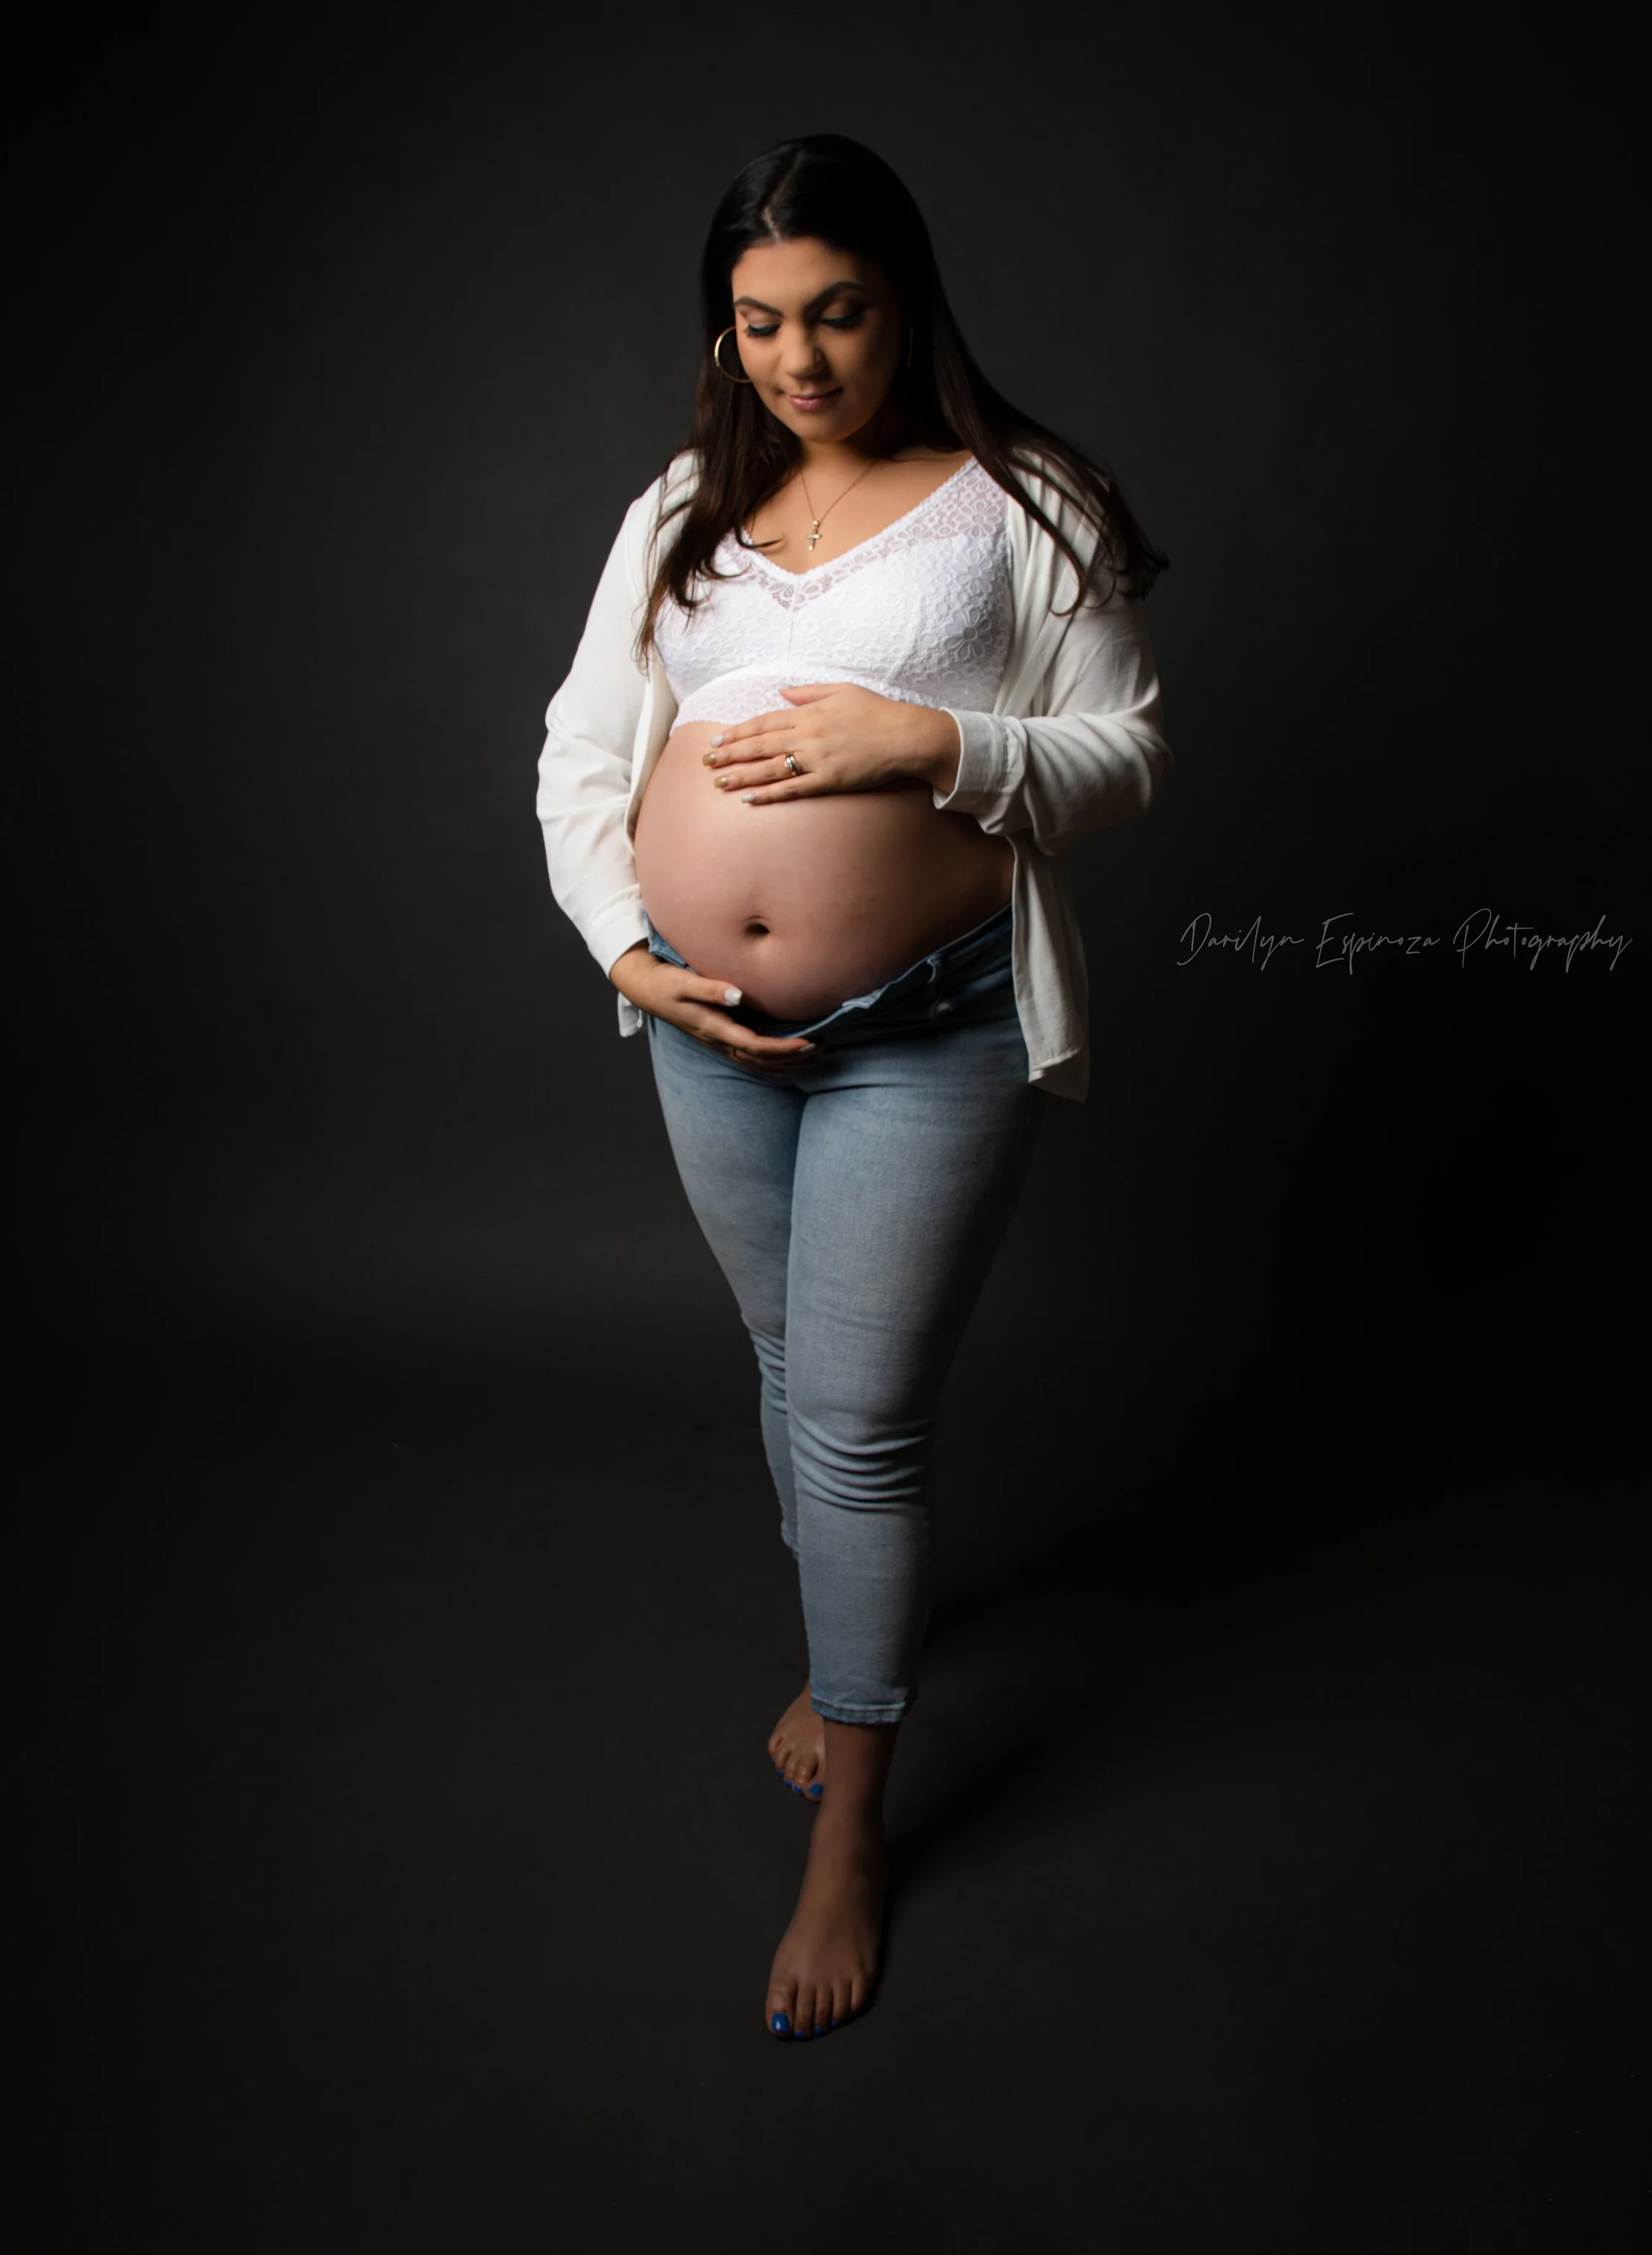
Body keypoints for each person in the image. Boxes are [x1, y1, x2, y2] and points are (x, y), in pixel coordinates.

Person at [537, 134, 1173, 2042]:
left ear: (904, 304)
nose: (798, 359)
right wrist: (628, 951)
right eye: (757, 323)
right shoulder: (677, 511)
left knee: (861, 1416)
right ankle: (846, 1656)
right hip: (710, 1035)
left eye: (834, 314)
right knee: (785, 1367)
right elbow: (580, 754)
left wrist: (928, 735)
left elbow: (1124, 753)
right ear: (719, 334)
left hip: (931, 1026)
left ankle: (855, 1832)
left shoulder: (1023, 504)